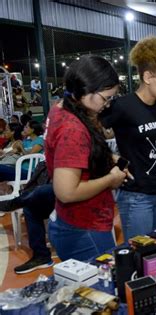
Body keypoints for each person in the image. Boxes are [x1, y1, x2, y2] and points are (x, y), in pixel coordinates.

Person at [45, 55, 127, 261]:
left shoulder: (61, 108)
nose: (107, 104)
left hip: (73, 222)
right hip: (85, 228)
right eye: (105, 98)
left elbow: (77, 154)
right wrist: (111, 180)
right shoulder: (73, 129)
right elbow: (67, 191)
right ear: (85, 90)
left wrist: (108, 157)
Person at [100, 36, 156, 241]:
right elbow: (90, 133)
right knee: (140, 259)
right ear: (148, 77)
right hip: (137, 198)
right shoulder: (122, 106)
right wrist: (110, 157)